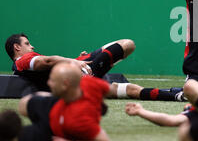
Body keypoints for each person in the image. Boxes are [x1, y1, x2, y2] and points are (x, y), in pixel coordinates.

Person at [15, 62, 114, 141]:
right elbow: (110, 90)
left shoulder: (78, 119)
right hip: (56, 102)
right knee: (23, 105)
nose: (48, 83)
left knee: (10, 135)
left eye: (52, 80)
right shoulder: (88, 82)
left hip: (49, 129)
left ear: (65, 84)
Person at [5, 33, 135, 92]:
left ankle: (104, 66)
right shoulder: (22, 60)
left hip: (80, 66)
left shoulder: (20, 67)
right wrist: (73, 62)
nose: (32, 47)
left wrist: (75, 61)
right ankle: (98, 73)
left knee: (124, 44)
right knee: (127, 45)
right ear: (17, 47)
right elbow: (47, 60)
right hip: (83, 75)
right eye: (27, 44)